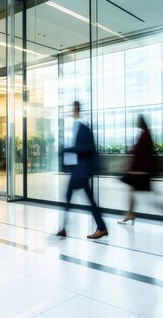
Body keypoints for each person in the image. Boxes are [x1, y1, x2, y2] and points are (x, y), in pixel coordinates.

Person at [57, 101, 108, 240]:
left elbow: (88, 147)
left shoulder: (83, 126)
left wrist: (69, 149)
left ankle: (100, 228)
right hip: (79, 170)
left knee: (75, 198)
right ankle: (100, 227)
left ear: (76, 109)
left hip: (82, 171)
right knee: (79, 199)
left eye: (72, 109)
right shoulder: (78, 126)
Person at [119, 115, 156, 224]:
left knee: (154, 201)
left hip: (140, 172)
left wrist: (134, 149)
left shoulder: (145, 135)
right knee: (131, 191)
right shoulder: (145, 134)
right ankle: (129, 214)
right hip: (140, 171)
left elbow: (142, 151)